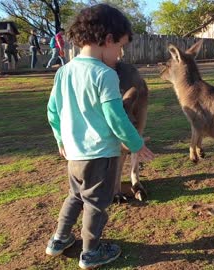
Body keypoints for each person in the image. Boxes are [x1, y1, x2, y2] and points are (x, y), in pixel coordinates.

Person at [45, 4, 154, 269]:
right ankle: (91, 252)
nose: (120, 55)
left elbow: (52, 111)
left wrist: (61, 140)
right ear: (107, 40)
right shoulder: (105, 74)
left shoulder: (63, 72)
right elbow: (116, 118)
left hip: (74, 154)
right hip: (100, 155)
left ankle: (58, 240)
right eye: (120, 47)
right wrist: (136, 144)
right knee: (96, 204)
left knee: (75, 196)